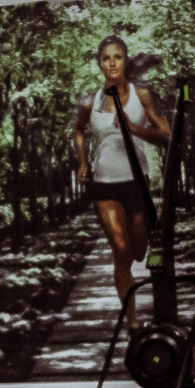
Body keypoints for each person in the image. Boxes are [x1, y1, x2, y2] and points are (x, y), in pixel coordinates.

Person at [71, 36, 174, 313]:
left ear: (125, 60)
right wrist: (83, 162)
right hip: (104, 185)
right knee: (120, 250)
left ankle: (136, 275)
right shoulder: (89, 102)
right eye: (106, 57)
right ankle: (131, 322)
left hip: (136, 184)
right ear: (99, 64)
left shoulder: (142, 96)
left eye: (117, 56)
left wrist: (132, 128)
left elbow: (165, 135)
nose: (112, 62)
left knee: (138, 251)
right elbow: (79, 130)